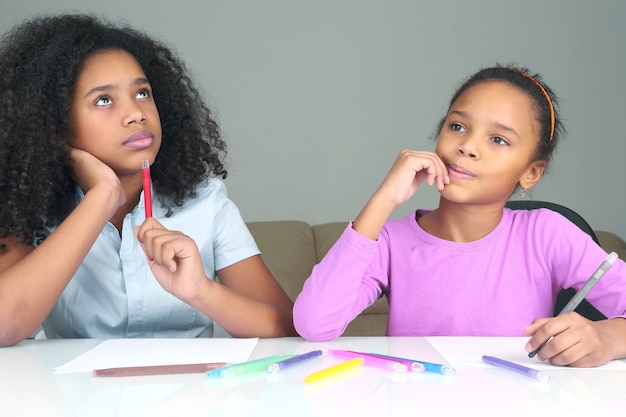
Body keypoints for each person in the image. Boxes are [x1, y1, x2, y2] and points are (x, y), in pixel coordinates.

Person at [293, 65, 626, 367]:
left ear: (531, 172)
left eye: (498, 139)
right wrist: (384, 197)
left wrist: (608, 338)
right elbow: (314, 323)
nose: (468, 146)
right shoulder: (392, 242)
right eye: (457, 126)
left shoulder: (548, 234)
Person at [0, 13, 296, 346]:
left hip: (194, 393)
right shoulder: (28, 210)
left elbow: (290, 329)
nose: (136, 113)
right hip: (76, 396)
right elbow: (3, 326)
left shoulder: (206, 201)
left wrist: (202, 292)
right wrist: (102, 197)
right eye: (104, 100)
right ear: (55, 123)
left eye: (142, 93)